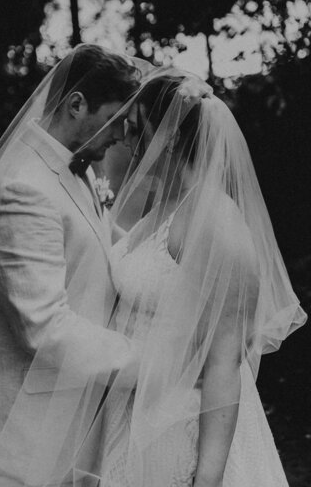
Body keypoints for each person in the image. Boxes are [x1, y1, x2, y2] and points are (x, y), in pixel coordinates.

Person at [0, 44, 145, 487]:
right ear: (76, 104)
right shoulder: (22, 188)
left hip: (68, 421)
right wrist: (148, 362)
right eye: (116, 119)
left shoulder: (77, 171)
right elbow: (44, 326)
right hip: (21, 436)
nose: (122, 136)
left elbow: (98, 259)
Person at [89, 69, 307, 487]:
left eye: (136, 131)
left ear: (168, 138)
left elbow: (225, 363)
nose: (128, 144)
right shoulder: (163, 208)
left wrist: (207, 478)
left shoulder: (218, 225)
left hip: (182, 427)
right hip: (131, 413)